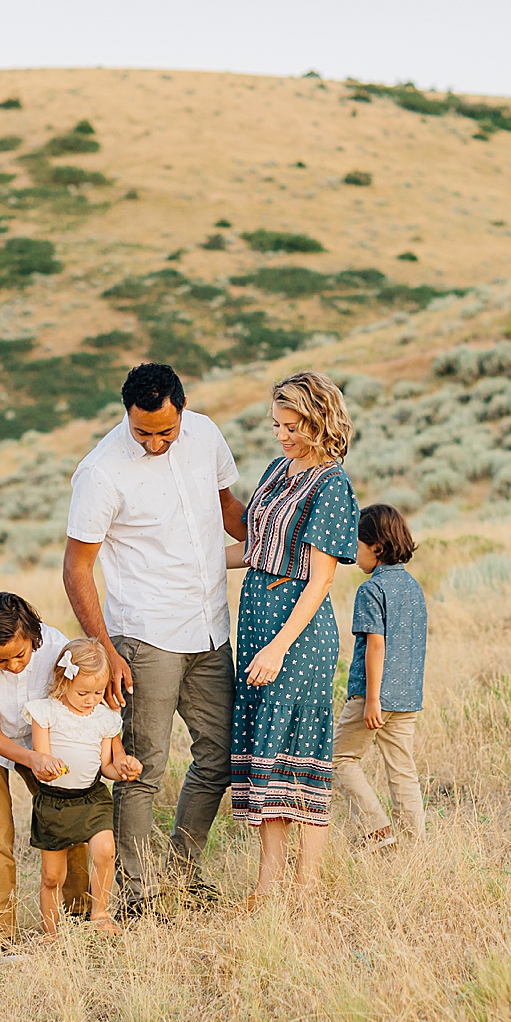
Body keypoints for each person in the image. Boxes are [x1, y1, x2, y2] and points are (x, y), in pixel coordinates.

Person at [63, 363, 246, 919]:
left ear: (182, 409)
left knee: (219, 754)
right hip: (144, 636)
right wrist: (108, 651)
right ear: (127, 414)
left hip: (210, 627)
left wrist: (279, 543)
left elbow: (226, 510)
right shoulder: (100, 472)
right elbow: (76, 569)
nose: (154, 441)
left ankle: (183, 876)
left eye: (165, 430)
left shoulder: (207, 435)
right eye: (143, 431)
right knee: (143, 768)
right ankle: (138, 899)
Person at [227, 371, 360, 906]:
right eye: (275, 424)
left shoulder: (332, 483)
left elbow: (322, 577)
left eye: (291, 425)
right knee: (267, 756)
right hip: (256, 619)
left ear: (318, 420)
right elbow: (256, 550)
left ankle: (304, 890)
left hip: (295, 634)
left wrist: (278, 647)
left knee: (300, 755)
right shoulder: (278, 469)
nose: (280, 434)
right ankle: (267, 885)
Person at [0, 591, 93, 958]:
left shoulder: (56, 647)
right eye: (2, 661)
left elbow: (70, 702)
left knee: (68, 819)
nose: (13, 666)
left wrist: (46, 755)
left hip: (39, 734)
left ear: (34, 636)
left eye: (20, 655)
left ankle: (78, 915)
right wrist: (30, 759)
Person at [24, 639, 142, 935]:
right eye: (83, 692)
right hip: (55, 801)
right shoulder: (45, 713)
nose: (91, 699)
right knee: (53, 876)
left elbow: (107, 767)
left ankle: (99, 912)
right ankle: (51, 933)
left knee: (105, 850)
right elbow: (42, 762)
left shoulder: (104, 719)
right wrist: (49, 768)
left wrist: (125, 768)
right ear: (63, 681)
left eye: (98, 692)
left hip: (91, 798)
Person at [332, 503, 429, 852]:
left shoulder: (371, 590)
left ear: (377, 547)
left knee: (339, 758)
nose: (352, 554)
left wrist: (372, 699)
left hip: (372, 697)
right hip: (407, 698)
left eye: (356, 546)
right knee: (403, 770)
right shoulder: (414, 589)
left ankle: (375, 827)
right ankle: (413, 846)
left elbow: (376, 646)